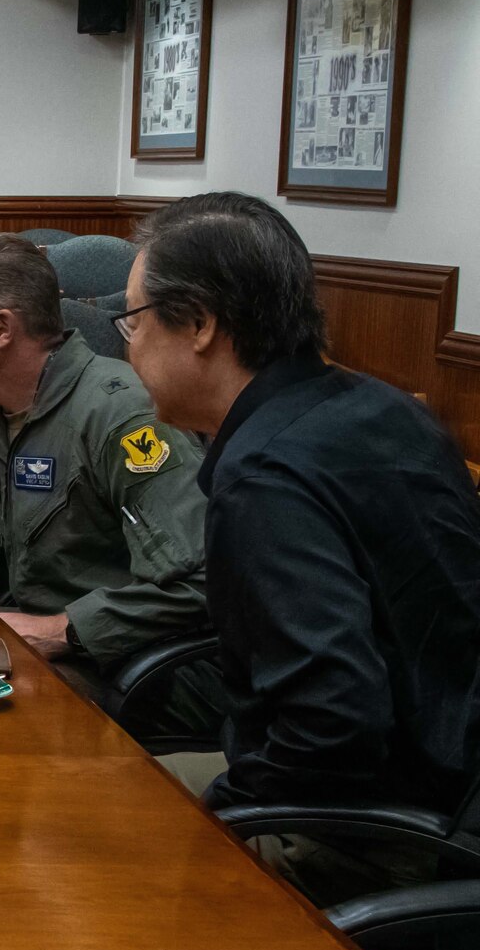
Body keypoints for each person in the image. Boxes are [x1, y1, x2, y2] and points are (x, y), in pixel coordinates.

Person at [124, 192, 480, 895]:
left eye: (132, 320)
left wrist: (225, 808)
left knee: (109, 825)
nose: (126, 343)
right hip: (449, 778)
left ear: (199, 323)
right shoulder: (373, 405)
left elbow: (335, 720)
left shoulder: (266, 474)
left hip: (372, 832)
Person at [0, 234, 221, 741]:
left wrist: (65, 630)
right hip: (44, 658)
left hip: (141, 671)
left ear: (2, 328)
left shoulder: (122, 416)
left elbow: (206, 581)